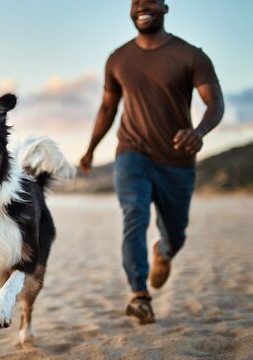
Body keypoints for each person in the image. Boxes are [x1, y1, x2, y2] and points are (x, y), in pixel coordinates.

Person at [79, 0, 224, 324]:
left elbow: (215, 102)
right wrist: (90, 149)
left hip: (177, 159)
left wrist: (199, 132)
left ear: (165, 8)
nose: (142, 6)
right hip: (132, 153)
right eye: (136, 2)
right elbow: (107, 108)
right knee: (134, 213)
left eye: (150, 1)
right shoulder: (118, 59)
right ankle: (139, 295)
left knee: (176, 233)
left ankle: (165, 252)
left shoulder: (191, 56)